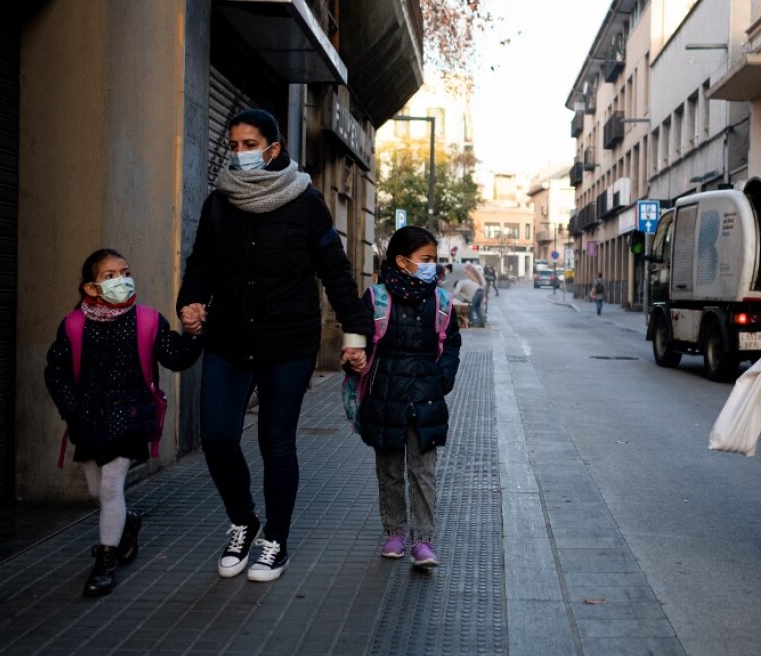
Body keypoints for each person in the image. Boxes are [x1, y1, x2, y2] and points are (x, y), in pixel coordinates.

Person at [177, 108, 371, 582]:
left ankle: (276, 539)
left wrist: (354, 335)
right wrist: (191, 301)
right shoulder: (219, 203)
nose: (240, 154)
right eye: (234, 145)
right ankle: (244, 520)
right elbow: (201, 262)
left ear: (274, 148)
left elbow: (336, 274)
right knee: (218, 436)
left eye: (250, 145)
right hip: (227, 336)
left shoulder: (305, 203)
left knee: (274, 441)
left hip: (287, 341)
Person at [45, 249, 203, 597]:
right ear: (91, 288)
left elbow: (175, 357)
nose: (121, 280)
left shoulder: (148, 320)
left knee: (111, 487)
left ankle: (104, 562)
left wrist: (194, 334)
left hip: (132, 418)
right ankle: (128, 521)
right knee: (96, 491)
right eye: (110, 276)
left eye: (125, 272)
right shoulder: (74, 325)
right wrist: (73, 410)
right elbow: (55, 372)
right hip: (89, 420)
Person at [350, 226, 461, 569]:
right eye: (425, 259)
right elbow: (362, 341)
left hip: (426, 399)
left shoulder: (442, 301)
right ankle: (394, 532)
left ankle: (423, 540)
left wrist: (442, 379)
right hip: (385, 397)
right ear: (402, 261)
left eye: (435, 260)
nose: (433, 266)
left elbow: (451, 344)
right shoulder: (376, 298)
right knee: (389, 470)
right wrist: (355, 356)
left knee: (423, 471)